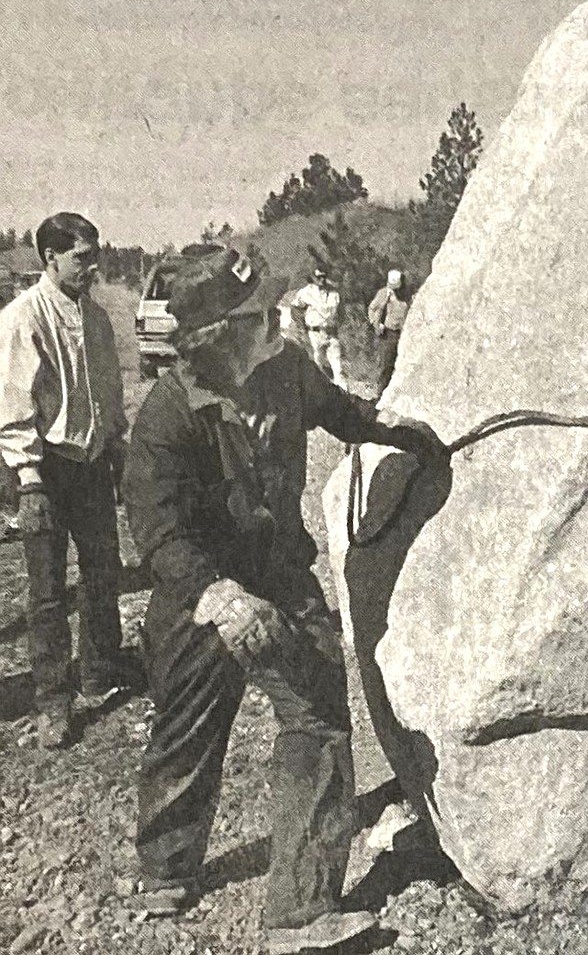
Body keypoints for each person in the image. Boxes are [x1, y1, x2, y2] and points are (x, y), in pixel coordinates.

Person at [122, 243, 447, 953]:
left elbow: (344, 413)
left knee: (321, 716)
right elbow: (158, 529)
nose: (275, 317)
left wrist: (400, 430)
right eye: (256, 312)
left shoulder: (288, 368)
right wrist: (217, 594)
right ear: (214, 334)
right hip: (201, 592)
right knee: (189, 725)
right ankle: (166, 865)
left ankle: (299, 912)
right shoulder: (167, 418)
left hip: (279, 572)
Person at [0, 212, 127, 750]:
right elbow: (12, 402)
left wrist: (115, 446)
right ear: (48, 258)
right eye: (80, 256)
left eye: (94, 253)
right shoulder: (22, 317)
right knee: (49, 592)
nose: (91, 264)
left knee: (103, 571)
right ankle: (54, 700)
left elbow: (108, 390)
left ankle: (101, 669)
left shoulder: (94, 316)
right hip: (45, 469)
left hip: (92, 464)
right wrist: (28, 480)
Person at [291, 265, 345, 388]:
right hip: (314, 333)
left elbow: (342, 313)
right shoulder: (306, 292)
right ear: (313, 278)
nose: (321, 279)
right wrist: (302, 326)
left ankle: (342, 391)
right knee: (316, 363)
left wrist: (337, 324)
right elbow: (295, 307)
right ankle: (318, 389)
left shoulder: (334, 293)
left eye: (323, 277)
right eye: (318, 277)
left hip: (331, 332)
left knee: (337, 364)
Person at [366, 268, 409, 397]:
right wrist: (376, 323)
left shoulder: (405, 295)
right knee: (386, 365)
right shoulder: (384, 293)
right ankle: (380, 394)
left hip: (404, 334)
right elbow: (372, 308)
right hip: (389, 333)